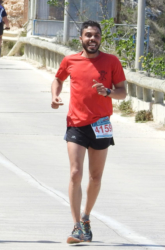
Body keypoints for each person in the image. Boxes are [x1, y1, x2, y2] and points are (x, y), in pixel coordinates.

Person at [51, 20, 127, 244]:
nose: (92, 39)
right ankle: (76, 227)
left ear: (101, 38)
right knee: (75, 173)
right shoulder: (70, 60)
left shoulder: (112, 61)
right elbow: (58, 78)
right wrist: (55, 95)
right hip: (76, 123)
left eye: (96, 35)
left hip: (101, 125)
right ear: (81, 38)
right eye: (88, 35)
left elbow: (123, 92)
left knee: (95, 177)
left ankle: (86, 218)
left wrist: (109, 92)